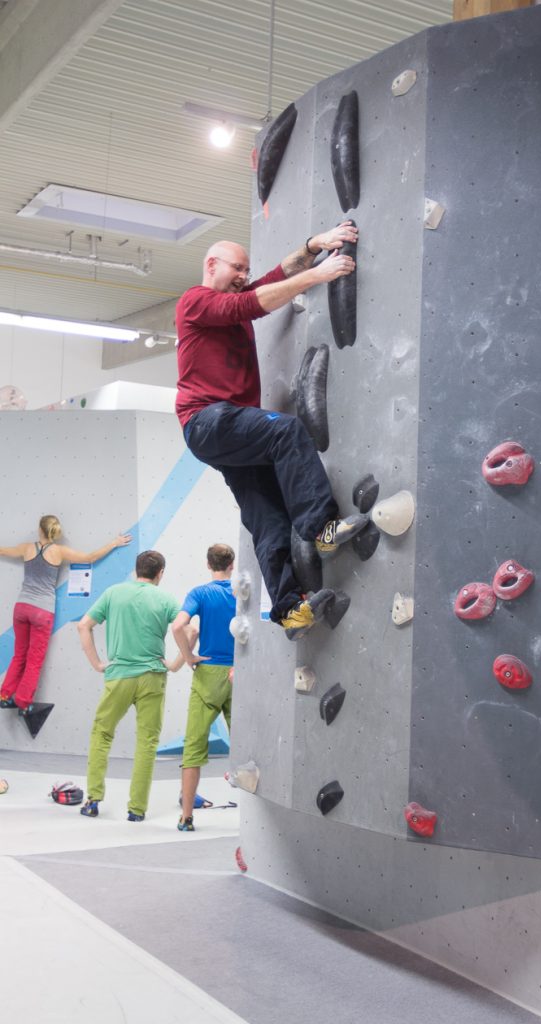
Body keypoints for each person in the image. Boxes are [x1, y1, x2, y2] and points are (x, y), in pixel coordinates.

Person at [175, 222, 368, 642]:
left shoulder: (236, 296)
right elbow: (253, 304)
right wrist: (318, 275)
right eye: (236, 267)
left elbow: (270, 282)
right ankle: (322, 528)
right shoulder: (196, 301)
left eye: (246, 268)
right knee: (286, 431)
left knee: (266, 518)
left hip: (224, 434)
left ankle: (288, 610)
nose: (243, 274)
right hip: (208, 419)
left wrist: (313, 246)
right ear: (211, 265)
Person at [77, 550, 181, 822]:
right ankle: (136, 810)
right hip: (153, 677)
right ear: (160, 573)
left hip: (119, 676)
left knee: (102, 733)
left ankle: (93, 800)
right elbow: (189, 630)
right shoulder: (165, 598)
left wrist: (97, 664)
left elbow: (84, 625)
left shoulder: (113, 593)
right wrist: (178, 662)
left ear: (137, 570)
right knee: (147, 743)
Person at [0, 515, 131, 712]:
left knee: (19, 654)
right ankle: (23, 702)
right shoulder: (59, 552)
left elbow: (2, 550)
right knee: (34, 660)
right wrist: (115, 542)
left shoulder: (27, 548)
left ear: (40, 529)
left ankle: (4, 694)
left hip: (22, 607)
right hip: (42, 611)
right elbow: (90, 558)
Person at [171, 543, 237, 832]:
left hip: (207, 672)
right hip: (239, 672)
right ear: (232, 565)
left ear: (208, 565)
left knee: (193, 749)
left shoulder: (199, 593)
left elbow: (177, 627)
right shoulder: (241, 592)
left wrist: (188, 657)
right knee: (250, 748)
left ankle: (186, 817)